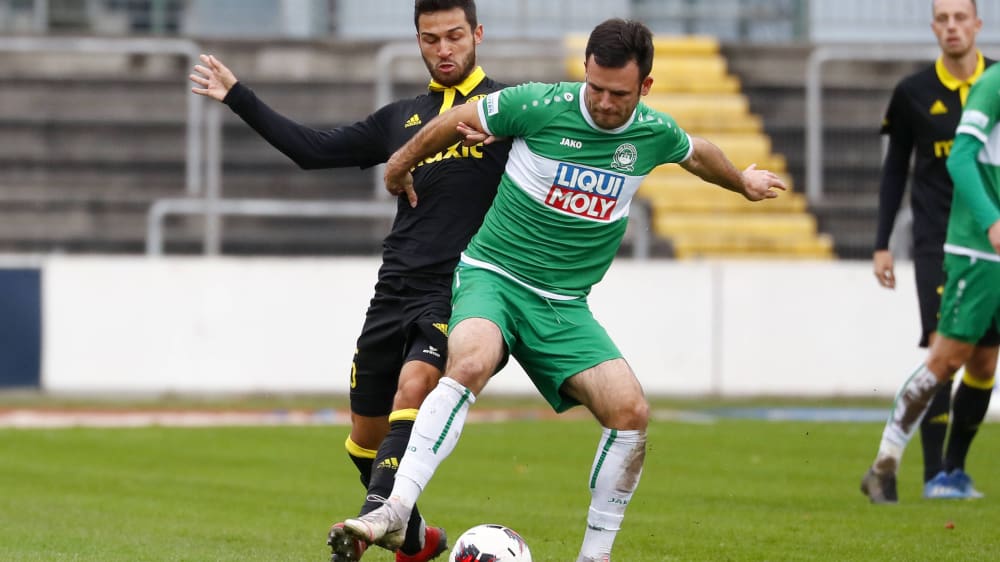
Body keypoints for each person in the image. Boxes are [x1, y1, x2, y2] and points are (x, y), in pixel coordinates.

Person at [331, 18, 786, 561]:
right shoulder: (542, 104)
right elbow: (455, 118)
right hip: (493, 277)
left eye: (618, 94)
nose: (602, 101)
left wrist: (744, 182)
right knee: (469, 361)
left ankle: (595, 556)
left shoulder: (652, 133)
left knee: (631, 411)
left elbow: (698, 151)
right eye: (594, 86)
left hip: (564, 307)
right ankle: (394, 510)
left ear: (645, 89)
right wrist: (399, 165)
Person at [189, 1, 511, 560]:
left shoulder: (507, 111)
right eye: (430, 38)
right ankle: (413, 539)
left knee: (416, 387)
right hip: (394, 290)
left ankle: (366, 525)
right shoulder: (400, 118)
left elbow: (567, 145)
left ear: (477, 34)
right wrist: (238, 95)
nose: (444, 49)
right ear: (417, 40)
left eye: (455, 36)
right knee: (364, 438)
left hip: (458, 288)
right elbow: (312, 152)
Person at [872, 0, 998, 500]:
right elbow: (894, 170)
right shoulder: (913, 93)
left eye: (959, 17)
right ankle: (927, 474)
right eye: (942, 18)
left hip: (989, 247)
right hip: (940, 241)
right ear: (933, 28)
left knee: (985, 362)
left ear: (977, 25)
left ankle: (953, 469)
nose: (952, 26)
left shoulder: (991, 84)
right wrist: (882, 243)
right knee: (943, 351)